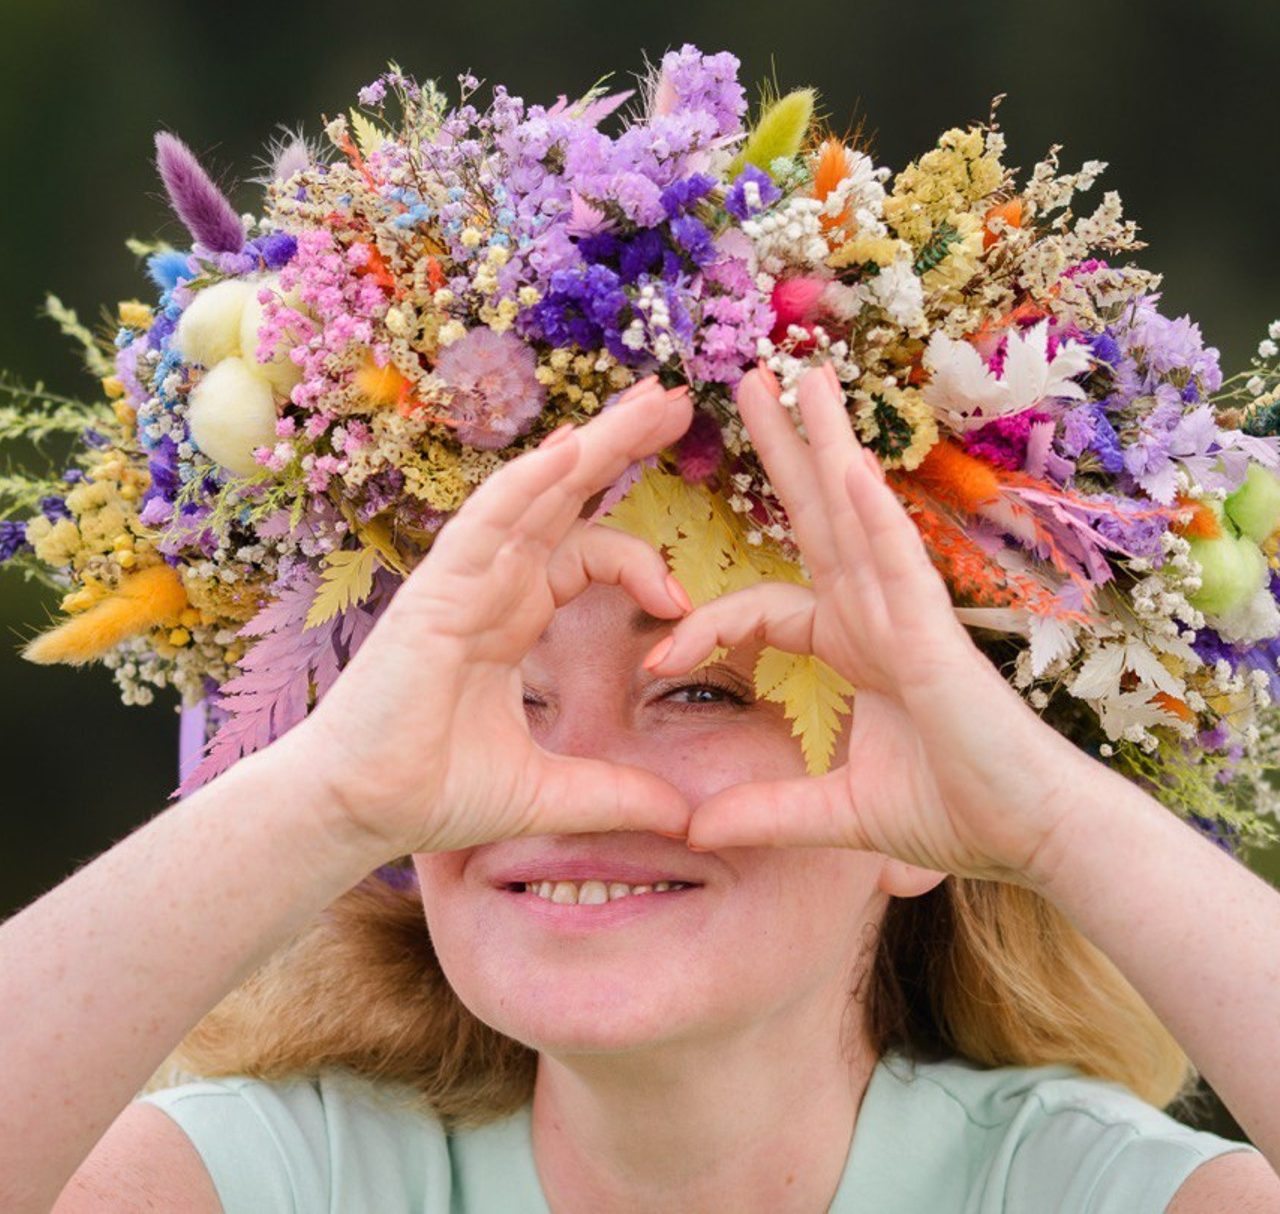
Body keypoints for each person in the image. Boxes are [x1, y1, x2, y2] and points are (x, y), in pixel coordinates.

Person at [0, 369, 1277, 1212]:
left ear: (923, 796)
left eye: (703, 689)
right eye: (506, 692)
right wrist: (330, 793)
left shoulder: (1081, 1192)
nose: (577, 778)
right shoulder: (282, 1179)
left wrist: (1047, 821)